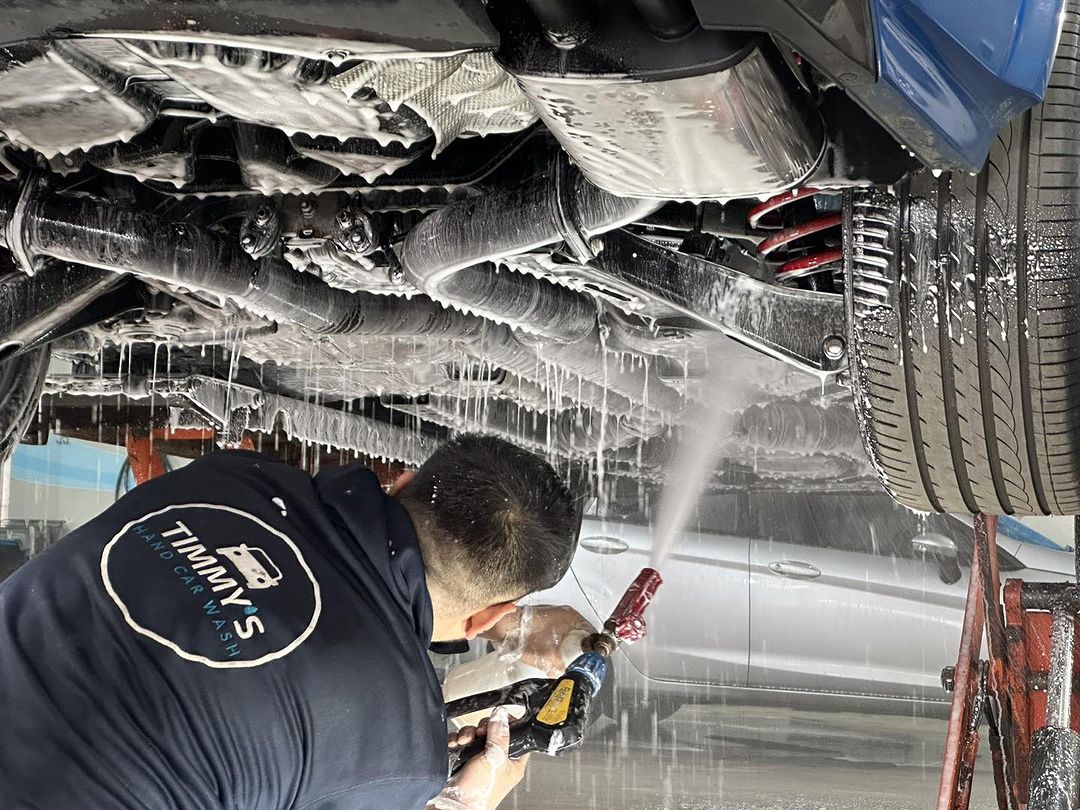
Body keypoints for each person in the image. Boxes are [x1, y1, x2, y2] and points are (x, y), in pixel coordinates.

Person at [0, 433, 588, 810]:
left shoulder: (232, 476)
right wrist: (466, 797)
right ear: (489, 613)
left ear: (401, 483)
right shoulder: (396, 755)